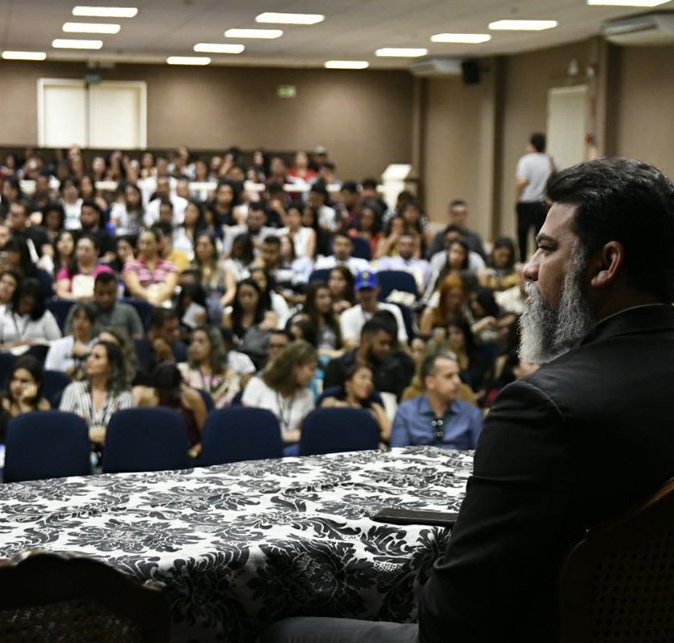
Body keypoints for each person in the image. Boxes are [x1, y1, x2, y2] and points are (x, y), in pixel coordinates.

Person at [265, 157, 674, 643]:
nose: (528, 269)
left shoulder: (541, 408)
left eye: (546, 248)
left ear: (605, 263)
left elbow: (452, 621)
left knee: (284, 629)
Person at [390, 350, 482, 450]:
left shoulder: (471, 413)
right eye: (449, 376)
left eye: (458, 375)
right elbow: (397, 455)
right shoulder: (406, 412)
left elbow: (482, 456)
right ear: (430, 382)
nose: (457, 381)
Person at [242, 340, 317, 448]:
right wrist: (284, 436)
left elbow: (305, 433)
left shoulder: (307, 395)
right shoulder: (257, 385)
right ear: (295, 367)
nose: (314, 375)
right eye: (311, 369)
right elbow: (248, 428)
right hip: (259, 448)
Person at [59, 340, 134, 446]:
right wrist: (86, 435)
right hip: (77, 449)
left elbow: (126, 433)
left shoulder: (124, 396)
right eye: (90, 355)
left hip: (111, 451)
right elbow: (62, 426)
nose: (89, 360)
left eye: (97, 357)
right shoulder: (73, 390)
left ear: (111, 365)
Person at [0, 355, 50, 445]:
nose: (17, 386)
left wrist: (24, 404)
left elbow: (36, 440)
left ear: (37, 384)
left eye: (24, 381)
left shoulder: (43, 405)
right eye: (14, 379)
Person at [319, 363, 391, 443]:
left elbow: (388, 434)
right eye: (363, 377)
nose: (368, 383)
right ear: (348, 382)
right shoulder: (331, 403)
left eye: (371, 380)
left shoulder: (374, 408)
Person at [0, 277, 61, 352]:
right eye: (25, 303)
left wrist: (39, 344)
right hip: (8, 356)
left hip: (37, 357)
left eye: (31, 304)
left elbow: (58, 343)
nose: (27, 308)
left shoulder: (45, 315)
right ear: (17, 298)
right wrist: (15, 345)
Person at [338, 270, 407, 348]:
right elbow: (349, 344)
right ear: (356, 291)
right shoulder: (348, 315)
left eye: (369, 289)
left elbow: (402, 341)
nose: (366, 294)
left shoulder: (393, 310)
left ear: (378, 289)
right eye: (362, 290)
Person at [178, 325, 241, 408]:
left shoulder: (229, 374)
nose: (195, 345)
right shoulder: (182, 370)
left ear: (214, 345)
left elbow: (232, 400)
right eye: (193, 341)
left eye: (201, 341)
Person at [515, 131, 554, 262]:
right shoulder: (550, 160)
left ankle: (521, 260)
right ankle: (538, 260)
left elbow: (522, 182)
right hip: (542, 203)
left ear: (532, 145)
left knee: (522, 233)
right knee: (539, 233)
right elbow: (554, 178)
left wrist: (517, 197)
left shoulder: (526, 160)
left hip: (526, 201)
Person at [122, 229, 179, 306]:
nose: (144, 246)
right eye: (141, 243)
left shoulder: (170, 266)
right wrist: (151, 300)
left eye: (148, 243)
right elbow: (135, 289)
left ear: (158, 244)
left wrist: (158, 300)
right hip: (141, 305)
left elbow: (169, 289)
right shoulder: (131, 265)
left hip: (164, 305)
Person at [44, 302, 97, 377]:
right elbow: (50, 372)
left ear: (93, 323)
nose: (80, 322)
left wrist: (87, 354)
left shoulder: (98, 345)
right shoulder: (58, 345)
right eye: (77, 318)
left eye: (86, 319)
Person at [89, 271, 144, 340]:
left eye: (110, 293)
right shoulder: (83, 312)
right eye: (101, 293)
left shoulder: (129, 311)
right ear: (94, 292)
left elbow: (138, 339)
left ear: (117, 291)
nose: (106, 298)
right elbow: (72, 338)